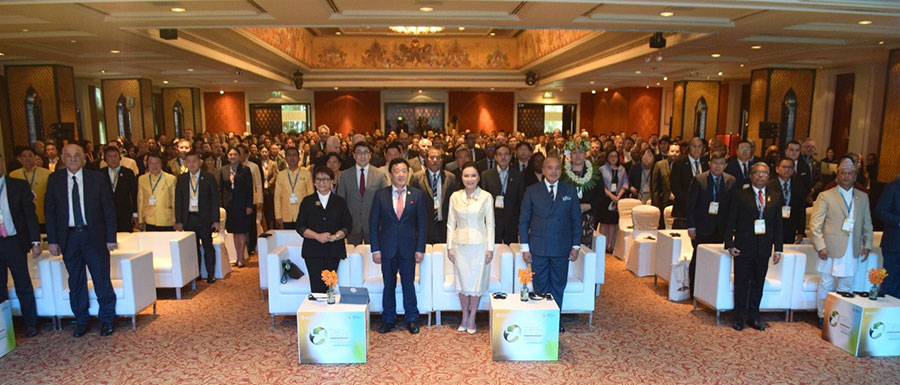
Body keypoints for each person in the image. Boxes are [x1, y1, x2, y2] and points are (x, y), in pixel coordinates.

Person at [45, 144, 118, 337]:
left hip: (94, 237)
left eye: (77, 155)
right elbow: (50, 212)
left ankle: (107, 319)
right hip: (69, 238)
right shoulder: (54, 180)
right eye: (69, 156)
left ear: (84, 157)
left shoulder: (98, 179)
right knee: (75, 281)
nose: (73, 159)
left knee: (101, 278)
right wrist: (52, 241)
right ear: (62, 158)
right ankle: (81, 319)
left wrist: (111, 238)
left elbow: (109, 211)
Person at [808, 156, 874, 329]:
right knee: (826, 283)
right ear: (837, 175)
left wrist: (867, 244)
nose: (846, 176)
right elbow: (815, 225)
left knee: (847, 284)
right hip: (829, 249)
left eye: (850, 173)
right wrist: (820, 246)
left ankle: (839, 317)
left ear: (855, 176)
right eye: (843, 173)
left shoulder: (862, 197)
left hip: (852, 248)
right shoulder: (826, 196)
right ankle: (823, 315)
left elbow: (867, 223)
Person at [519, 156, 581, 332]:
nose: (553, 171)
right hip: (538, 248)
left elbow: (576, 220)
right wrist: (525, 247)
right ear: (543, 170)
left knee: (558, 285)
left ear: (561, 171)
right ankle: (541, 318)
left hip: (562, 248)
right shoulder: (532, 191)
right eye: (550, 168)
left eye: (557, 168)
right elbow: (524, 221)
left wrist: (576, 246)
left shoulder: (570, 190)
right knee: (539, 285)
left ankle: (555, 319)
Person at [369, 158, 428, 335]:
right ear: (390, 174)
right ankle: (388, 319)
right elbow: (373, 224)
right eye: (397, 171)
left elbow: (422, 225)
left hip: (409, 249)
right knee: (389, 285)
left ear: (408, 173)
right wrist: (375, 249)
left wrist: (420, 248)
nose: (401, 175)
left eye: (404, 171)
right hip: (387, 248)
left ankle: (412, 318)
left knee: (408, 283)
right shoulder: (381, 195)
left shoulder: (416, 195)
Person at [723, 162, 784, 332]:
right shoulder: (740, 195)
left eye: (764, 172)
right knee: (741, 283)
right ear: (751, 176)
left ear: (769, 175)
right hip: (743, 246)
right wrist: (729, 243)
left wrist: (778, 248)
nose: (761, 175)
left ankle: (754, 317)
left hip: (763, 248)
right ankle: (738, 317)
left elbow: (778, 225)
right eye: (757, 172)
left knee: (758, 284)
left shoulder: (775, 196)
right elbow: (731, 220)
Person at [447, 162, 495, 334]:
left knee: (475, 285)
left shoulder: (486, 197)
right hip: (459, 246)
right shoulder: (455, 196)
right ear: (462, 177)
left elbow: (490, 224)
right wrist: (449, 247)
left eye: (473, 175)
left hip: (479, 246)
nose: (470, 179)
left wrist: (490, 248)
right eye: (466, 175)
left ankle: (472, 317)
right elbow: (450, 223)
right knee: (462, 283)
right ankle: (464, 316)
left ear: (478, 177)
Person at [0, 152, 43, 338]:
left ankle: (31, 324)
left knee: (22, 283)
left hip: (13, 241)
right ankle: (5, 329)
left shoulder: (17, 186)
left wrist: (35, 241)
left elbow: (29, 216)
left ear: (2, 162)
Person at [686, 151, 736, 299]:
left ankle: (710, 292)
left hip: (720, 228)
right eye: (715, 163)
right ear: (710, 164)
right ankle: (694, 291)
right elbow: (691, 205)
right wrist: (691, 226)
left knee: (717, 260)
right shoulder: (699, 180)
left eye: (721, 163)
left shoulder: (731, 181)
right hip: (702, 227)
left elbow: (732, 207)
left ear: (725, 165)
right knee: (698, 259)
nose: (718, 166)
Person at [296, 166, 352, 293]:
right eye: (318, 179)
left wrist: (335, 236)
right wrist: (317, 236)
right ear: (314, 182)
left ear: (333, 181)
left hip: (334, 250)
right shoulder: (307, 201)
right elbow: (300, 226)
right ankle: (317, 312)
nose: (322, 183)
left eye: (325, 179)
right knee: (317, 287)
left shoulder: (340, 202)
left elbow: (348, 225)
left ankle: (329, 311)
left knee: (330, 286)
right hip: (313, 251)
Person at [174, 151, 220, 284]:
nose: (192, 164)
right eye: (189, 162)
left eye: (194, 161)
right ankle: (196, 273)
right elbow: (178, 201)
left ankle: (210, 274)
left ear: (199, 162)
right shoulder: (181, 179)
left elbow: (215, 200)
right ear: (185, 163)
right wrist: (179, 221)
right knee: (193, 248)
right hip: (189, 218)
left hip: (204, 218)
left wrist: (216, 220)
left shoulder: (209, 177)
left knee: (207, 246)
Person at [336, 142, 388, 244]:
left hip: (374, 225)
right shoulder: (344, 176)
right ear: (354, 156)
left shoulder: (380, 175)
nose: (362, 156)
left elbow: (385, 203)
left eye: (365, 152)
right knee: (353, 257)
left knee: (373, 257)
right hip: (352, 226)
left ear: (370, 155)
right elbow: (340, 203)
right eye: (359, 153)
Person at [409, 147, 458, 244]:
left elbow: (455, 202)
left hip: (444, 226)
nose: (435, 160)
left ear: (442, 160)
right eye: (432, 157)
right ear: (426, 160)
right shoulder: (416, 177)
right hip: (424, 226)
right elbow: (412, 203)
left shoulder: (451, 177)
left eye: (438, 158)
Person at [480, 144, 523, 245]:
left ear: (511, 156)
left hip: (512, 223)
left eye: (506, 154)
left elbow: (521, 201)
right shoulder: (486, 175)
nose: (503, 157)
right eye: (500, 154)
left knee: (511, 254)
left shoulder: (518, 175)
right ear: (495, 157)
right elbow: (483, 201)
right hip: (493, 222)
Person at [219, 147, 254, 268]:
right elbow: (221, 189)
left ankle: (240, 257)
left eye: (235, 154)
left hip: (242, 204)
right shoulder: (223, 170)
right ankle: (238, 255)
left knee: (242, 231)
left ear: (239, 156)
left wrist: (249, 205)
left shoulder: (245, 169)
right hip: (229, 205)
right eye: (230, 154)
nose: (233, 156)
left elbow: (249, 189)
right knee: (234, 232)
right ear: (227, 156)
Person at [563, 140, 602, 247]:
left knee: (584, 249)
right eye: (574, 152)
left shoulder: (595, 172)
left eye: (580, 152)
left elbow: (600, 195)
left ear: (585, 154)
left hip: (587, 216)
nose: (578, 156)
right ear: (570, 155)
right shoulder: (563, 173)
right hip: (566, 217)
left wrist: (589, 205)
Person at [9, 147, 50, 233]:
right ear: (20, 159)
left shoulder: (47, 173)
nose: (27, 158)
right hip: (23, 218)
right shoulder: (13, 175)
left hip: (43, 217)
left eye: (30, 156)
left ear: (35, 157)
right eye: (24, 156)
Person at [671, 137, 708, 229]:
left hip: (702, 210)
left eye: (699, 147)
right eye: (694, 146)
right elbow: (675, 187)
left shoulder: (706, 163)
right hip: (683, 209)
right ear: (689, 147)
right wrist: (691, 200)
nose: (697, 149)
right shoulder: (679, 163)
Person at [768, 158, 806, 245]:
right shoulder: (769, 185)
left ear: (793, 170)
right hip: (772, 227)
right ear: (777, 169)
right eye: (784, 167)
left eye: (789, 167)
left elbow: (801, 210)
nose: (786, 170)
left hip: (790, 228)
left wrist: (801, 232)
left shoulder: (798, 186)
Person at [100, 146, 138, 233]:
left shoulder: (128, 173)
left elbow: (134, 193)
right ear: (105, 159)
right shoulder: (100, 174)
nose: (113, 159)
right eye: (110, 156)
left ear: (119, 157)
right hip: (106, 214)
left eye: (115, 156)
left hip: (124, 213)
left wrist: (135, 213)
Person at [274, 147, 314, 229]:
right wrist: (278, 216)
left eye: (294, 155)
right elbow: (277, 197)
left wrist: (310, 214)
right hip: (285, 215)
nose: (292, 158)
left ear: (299, 158)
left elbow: (311, 196)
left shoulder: (306, 174)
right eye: (289, 155)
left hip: (303, 214)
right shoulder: (281, 175)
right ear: (285, 158)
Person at [597, 149, 627, 253]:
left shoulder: (622, 169)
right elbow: (601, 186)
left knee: (613, 223)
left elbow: (625, 184)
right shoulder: (602, 169)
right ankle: (603, 246)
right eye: (611, 156)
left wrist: (618, 196)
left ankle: (611, 245)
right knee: (605, 223)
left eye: (615, 156)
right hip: (605, 199)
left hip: (617, 199)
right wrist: (611, 196)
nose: (613, 158)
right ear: (607, 157)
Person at [875, 173, 900, 298]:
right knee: (890, 284)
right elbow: (880, 211)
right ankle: (887, 316)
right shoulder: (893, 187)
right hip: (894, 245)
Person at [137, 154, 177, 231]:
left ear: (161, 164)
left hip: (166, 219)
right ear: (147, 164)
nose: (154, 166)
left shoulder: (170, 179)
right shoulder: (142, 179)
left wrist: (175, 219)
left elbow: (174, 200)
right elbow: (140, 200)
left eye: (157, 163)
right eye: (151, 163)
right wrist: (140, 220)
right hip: (149, 219)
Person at [239, 145, 263, 255]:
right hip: (239, 200)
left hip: (252, 199)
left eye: (240, 153)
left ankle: (251, 246)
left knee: (252, 225)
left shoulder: (253, 166)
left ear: (246, 154)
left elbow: (258, 184)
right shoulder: (235, 167)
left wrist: (260, 200)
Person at [651, 143, 680, 229]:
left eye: (677, 152)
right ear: (668, 153)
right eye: (672, 151)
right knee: (662, 227)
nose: (674, 153)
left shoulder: (683, 166)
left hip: (678, 202)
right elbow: (654, 186)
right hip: (663, 201)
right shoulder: (660, 165)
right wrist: (656, 205)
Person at [259, 146, 278, 231]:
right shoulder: (258, 164)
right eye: (262, 152)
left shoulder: (273, 163)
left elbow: (275, 175)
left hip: (270, 190)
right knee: (264, 210)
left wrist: (268, 184)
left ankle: (271, 228)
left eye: (266, 152)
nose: (264, 154)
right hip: (262, 190)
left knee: (271, 210)